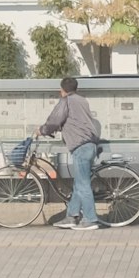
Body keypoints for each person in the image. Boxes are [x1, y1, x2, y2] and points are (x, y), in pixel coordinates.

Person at [38, 76, 104, 229]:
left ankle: (90, 219)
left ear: (62, 90)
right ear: (76, 89)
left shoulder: (66, 101)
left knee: (83, 184)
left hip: (81, 146)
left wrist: (42, 130)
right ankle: (71, 216)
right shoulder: (82, 100)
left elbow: (55, 120)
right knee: (79, 183)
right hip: (89, 145)